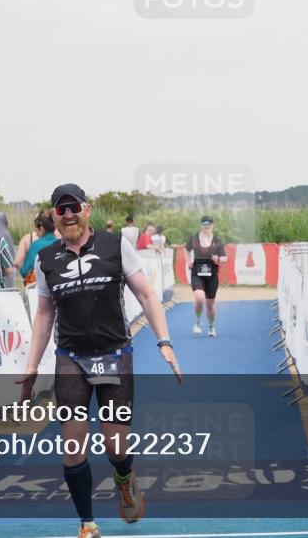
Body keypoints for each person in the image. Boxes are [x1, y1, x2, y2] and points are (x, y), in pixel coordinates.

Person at [18, 184, 181, 538]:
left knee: (115, 445)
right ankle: (87, 524)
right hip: (70, 358)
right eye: (61, 210)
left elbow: (146, 295)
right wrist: (31, 366)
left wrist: (164, 341)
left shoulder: (115, 245)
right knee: (73, 446)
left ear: (87, 209)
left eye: (74, 208)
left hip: (114, 354)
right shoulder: (46, 259)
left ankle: (124, 476)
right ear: (54, 217)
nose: (68, 215)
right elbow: (44, 314)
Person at [185, 216, 226, 337]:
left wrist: (218, 259)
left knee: (210, 304)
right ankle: (198, 323)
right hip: (197, 273)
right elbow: (186, 249)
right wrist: (188, 261)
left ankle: (211, 327)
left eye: (208, 225)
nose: (206, 227)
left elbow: (225, 258)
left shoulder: (217, 241)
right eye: (204, 224)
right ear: (201, 226)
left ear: (212, 226)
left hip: (212, 276)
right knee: (199, 298)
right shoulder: (194, 238)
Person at [16, 210, 53, 287]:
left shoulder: (35, 245)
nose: (35, 232)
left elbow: (25, 271)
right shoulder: (60, 243)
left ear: (41, 228)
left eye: (35, 227)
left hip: (39, 289)